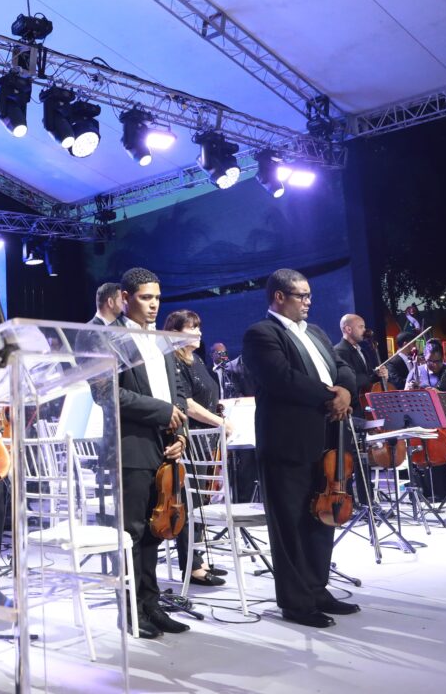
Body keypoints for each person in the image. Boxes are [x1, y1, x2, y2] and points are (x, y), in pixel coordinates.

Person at [241, 268, 357, 628]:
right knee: (290, 524)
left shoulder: (317, 332)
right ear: (279, 297)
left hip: (327, 439)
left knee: (322, 517)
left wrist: (346, 390)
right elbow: (282, 379)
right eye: (301, 295)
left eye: (309, 295)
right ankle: (295, 602)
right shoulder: (261, 334)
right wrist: (331, 396)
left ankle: (317, 589)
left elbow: (342, 366)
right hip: (287, 443)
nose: (308, 301)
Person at [90, 267, 189, 638]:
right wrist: (163, 412)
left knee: (155, 531)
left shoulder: (161, 340)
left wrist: (181, 433)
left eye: (157, 298)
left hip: (165, 445)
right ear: (125, 298)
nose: (154, 305)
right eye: (146, 298)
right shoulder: (105, 336)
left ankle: (151, 604)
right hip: (130, 446)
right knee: (131, 533)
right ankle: (130, 612)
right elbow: (105, 393)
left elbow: (178, 391)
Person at [163, 310, 232, 587]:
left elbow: (206, 395)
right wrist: (218, 421)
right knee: (189, 502)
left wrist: (218, 410)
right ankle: (190, 565)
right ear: (175, 333)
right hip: (189, 439)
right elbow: (187, 403)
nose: (199, 332)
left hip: (206, 440)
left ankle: (198, 558)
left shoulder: (198, 360)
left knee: (201, 503)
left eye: (198, 327)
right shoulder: (173, 361)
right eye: (192, 327)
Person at [333, 314, 389, 415]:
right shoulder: (339, 352)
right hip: (354, 409)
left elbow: (368, 376)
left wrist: (380, 375)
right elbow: (349, 380)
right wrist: (373, 375)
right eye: (361, 327)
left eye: (364, 327)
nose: (364, 330)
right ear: (348, 329)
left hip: (365, 405)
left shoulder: (362, 351)